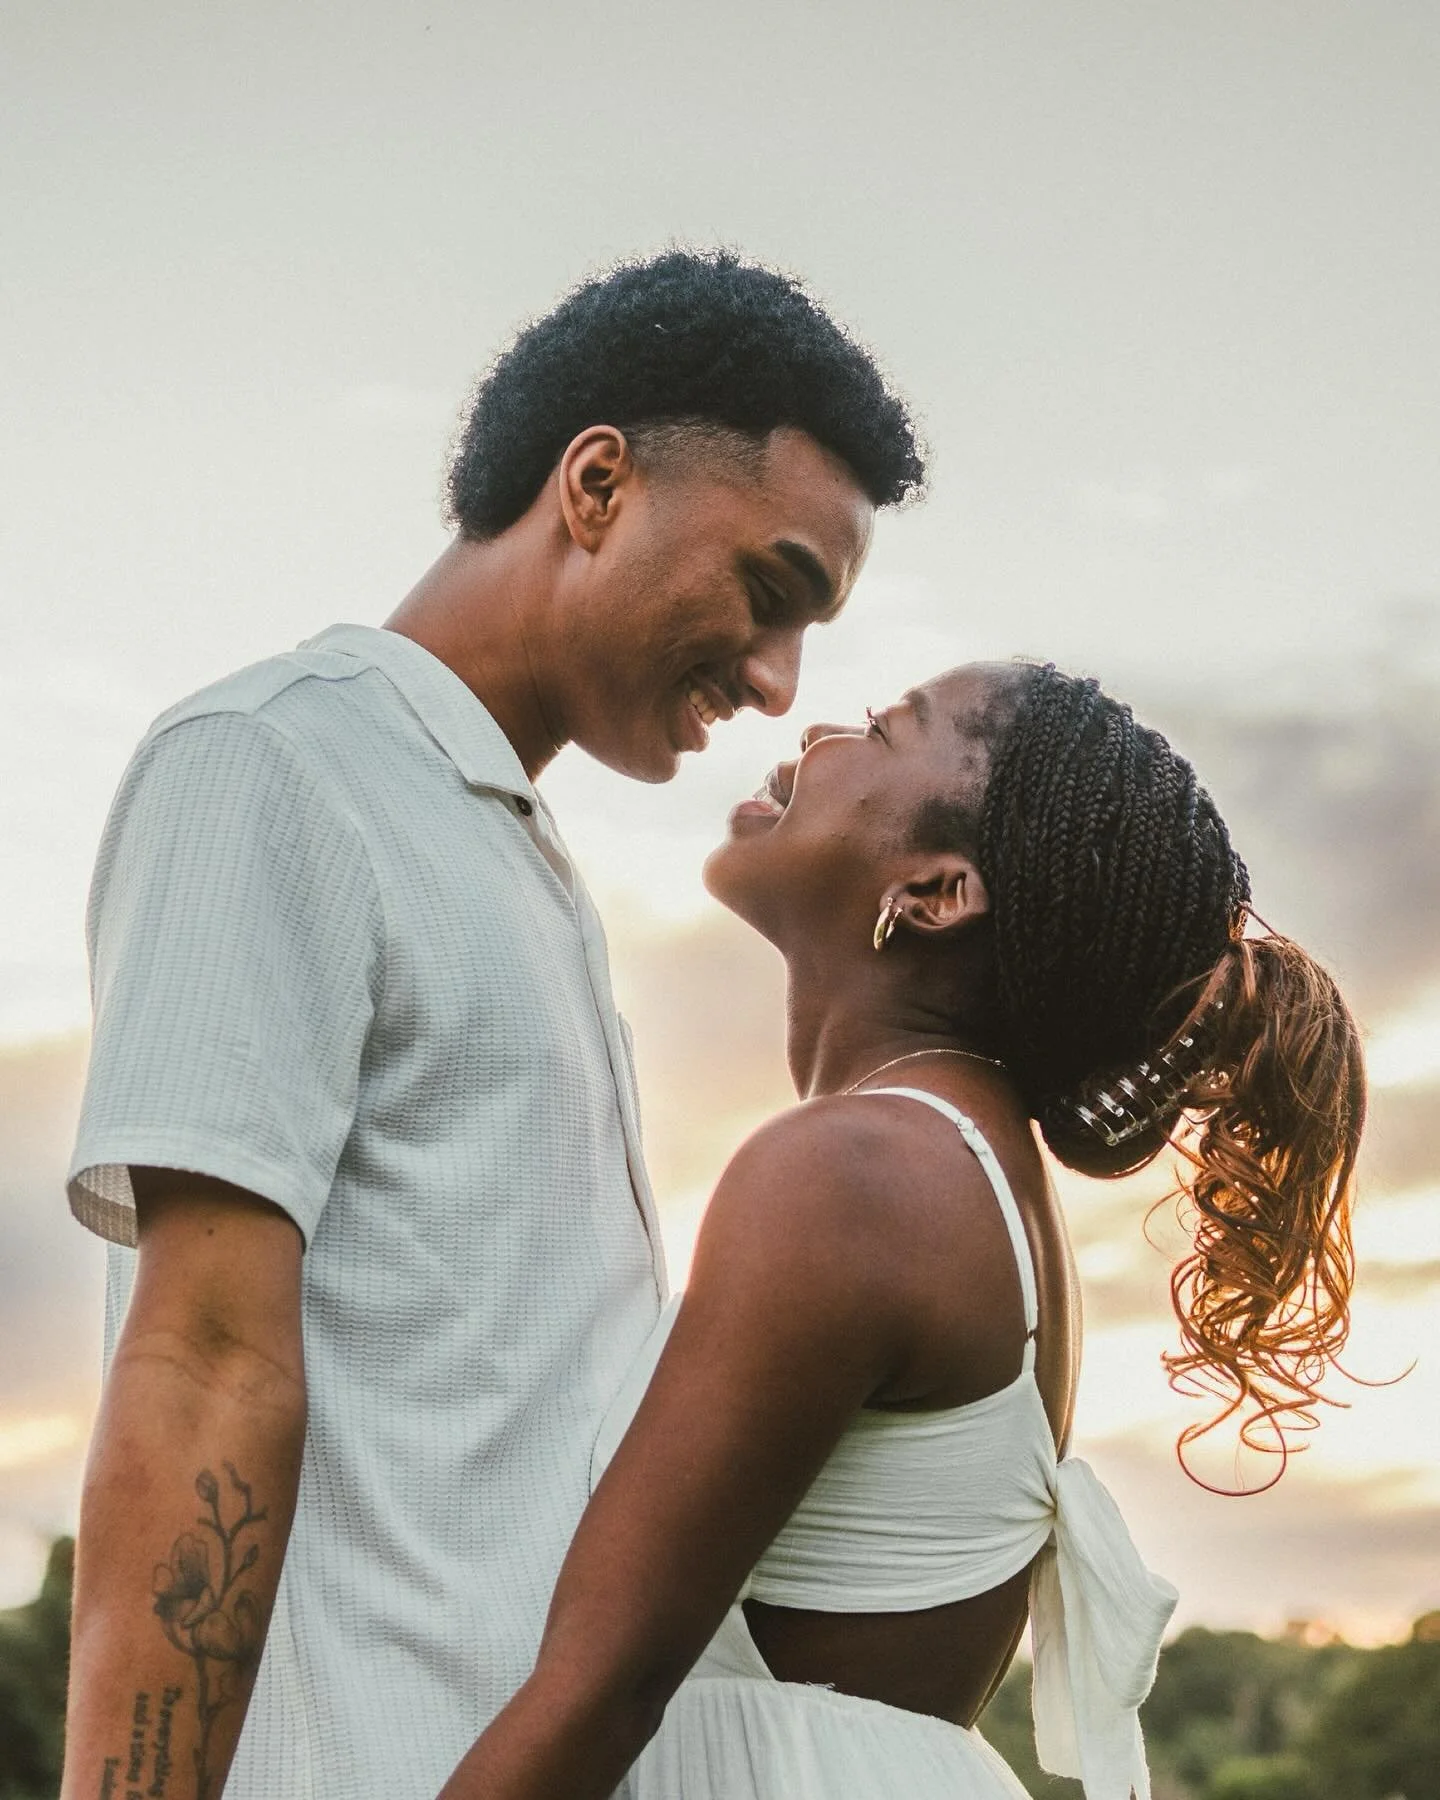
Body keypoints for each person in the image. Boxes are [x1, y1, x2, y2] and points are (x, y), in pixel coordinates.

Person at [59, 250, 924, 1800]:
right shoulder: (276, 763)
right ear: (596, 485)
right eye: (770, 591)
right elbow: (199, 1356)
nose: (783, 680)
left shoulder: (517, 861)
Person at [440, 661, 1366, 1800]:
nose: (815, 731)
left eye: (880, 730)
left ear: (934, 893)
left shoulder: (855, 1177)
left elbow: (604, 1685)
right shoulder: (960, 1173)